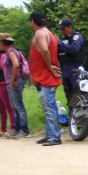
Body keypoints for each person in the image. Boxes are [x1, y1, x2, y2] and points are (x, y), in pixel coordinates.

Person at [28, 11, 63, 146]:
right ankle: (49, 134)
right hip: (44, 77)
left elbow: (44, 49)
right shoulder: (48, 33)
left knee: (49, 107)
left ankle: (54, 136)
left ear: (32, 22)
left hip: (45, 77)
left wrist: (49, 66)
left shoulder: (40, 33)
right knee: (48, 106)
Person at [0, 33, 30, 139]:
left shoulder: (10, 52)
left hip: (15, 82)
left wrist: (12, 80)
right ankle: (17, 129)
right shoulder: (11, 51)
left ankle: (24, 130)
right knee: (15, 106)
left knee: (18, 106)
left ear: (0, 43)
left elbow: (15, 64)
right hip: (12, 82)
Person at [56, 18, 85, 108]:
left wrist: (59, 43)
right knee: (68, 93)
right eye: (60, 29)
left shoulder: (77, 37)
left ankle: (83, 114)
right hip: (65, 69)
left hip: (75, 68)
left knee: (78, 92)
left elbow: (74, 49)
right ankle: (72, 115)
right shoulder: (62, 40)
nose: (62, 31)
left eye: (63, 29)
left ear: (70, 27)